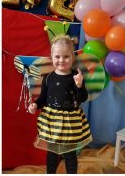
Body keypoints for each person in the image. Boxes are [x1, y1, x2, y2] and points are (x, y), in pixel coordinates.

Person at [28, 36, 92, 174]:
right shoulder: (48, 78)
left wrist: (79, 85)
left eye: (66, 56)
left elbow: (82, 98)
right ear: (52, 57)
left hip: (70, 122)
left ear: (72, 57)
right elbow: (43, 99)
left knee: (70, 155)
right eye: (57, 56)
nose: (61, 60)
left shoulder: (76, 77)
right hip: (53, 122)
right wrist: (35, 105)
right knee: (52, 153)